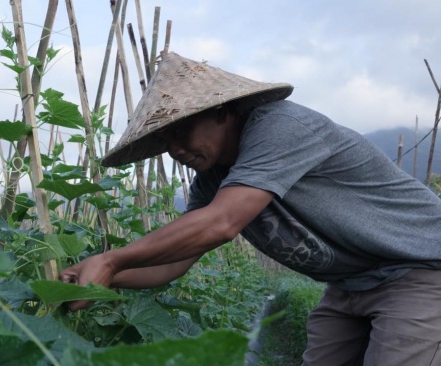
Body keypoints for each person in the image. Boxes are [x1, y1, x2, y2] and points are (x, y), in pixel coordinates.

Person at [59, 52, 441, 365]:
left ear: (221, 112)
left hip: (418, 269)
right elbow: (174, 261)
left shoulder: (280, 126)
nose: (175, 150)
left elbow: (221, 223)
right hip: (349, 284)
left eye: (180, 131)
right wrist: (105, 278)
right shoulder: (212, 179)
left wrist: (110, 261)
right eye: (164, 141)